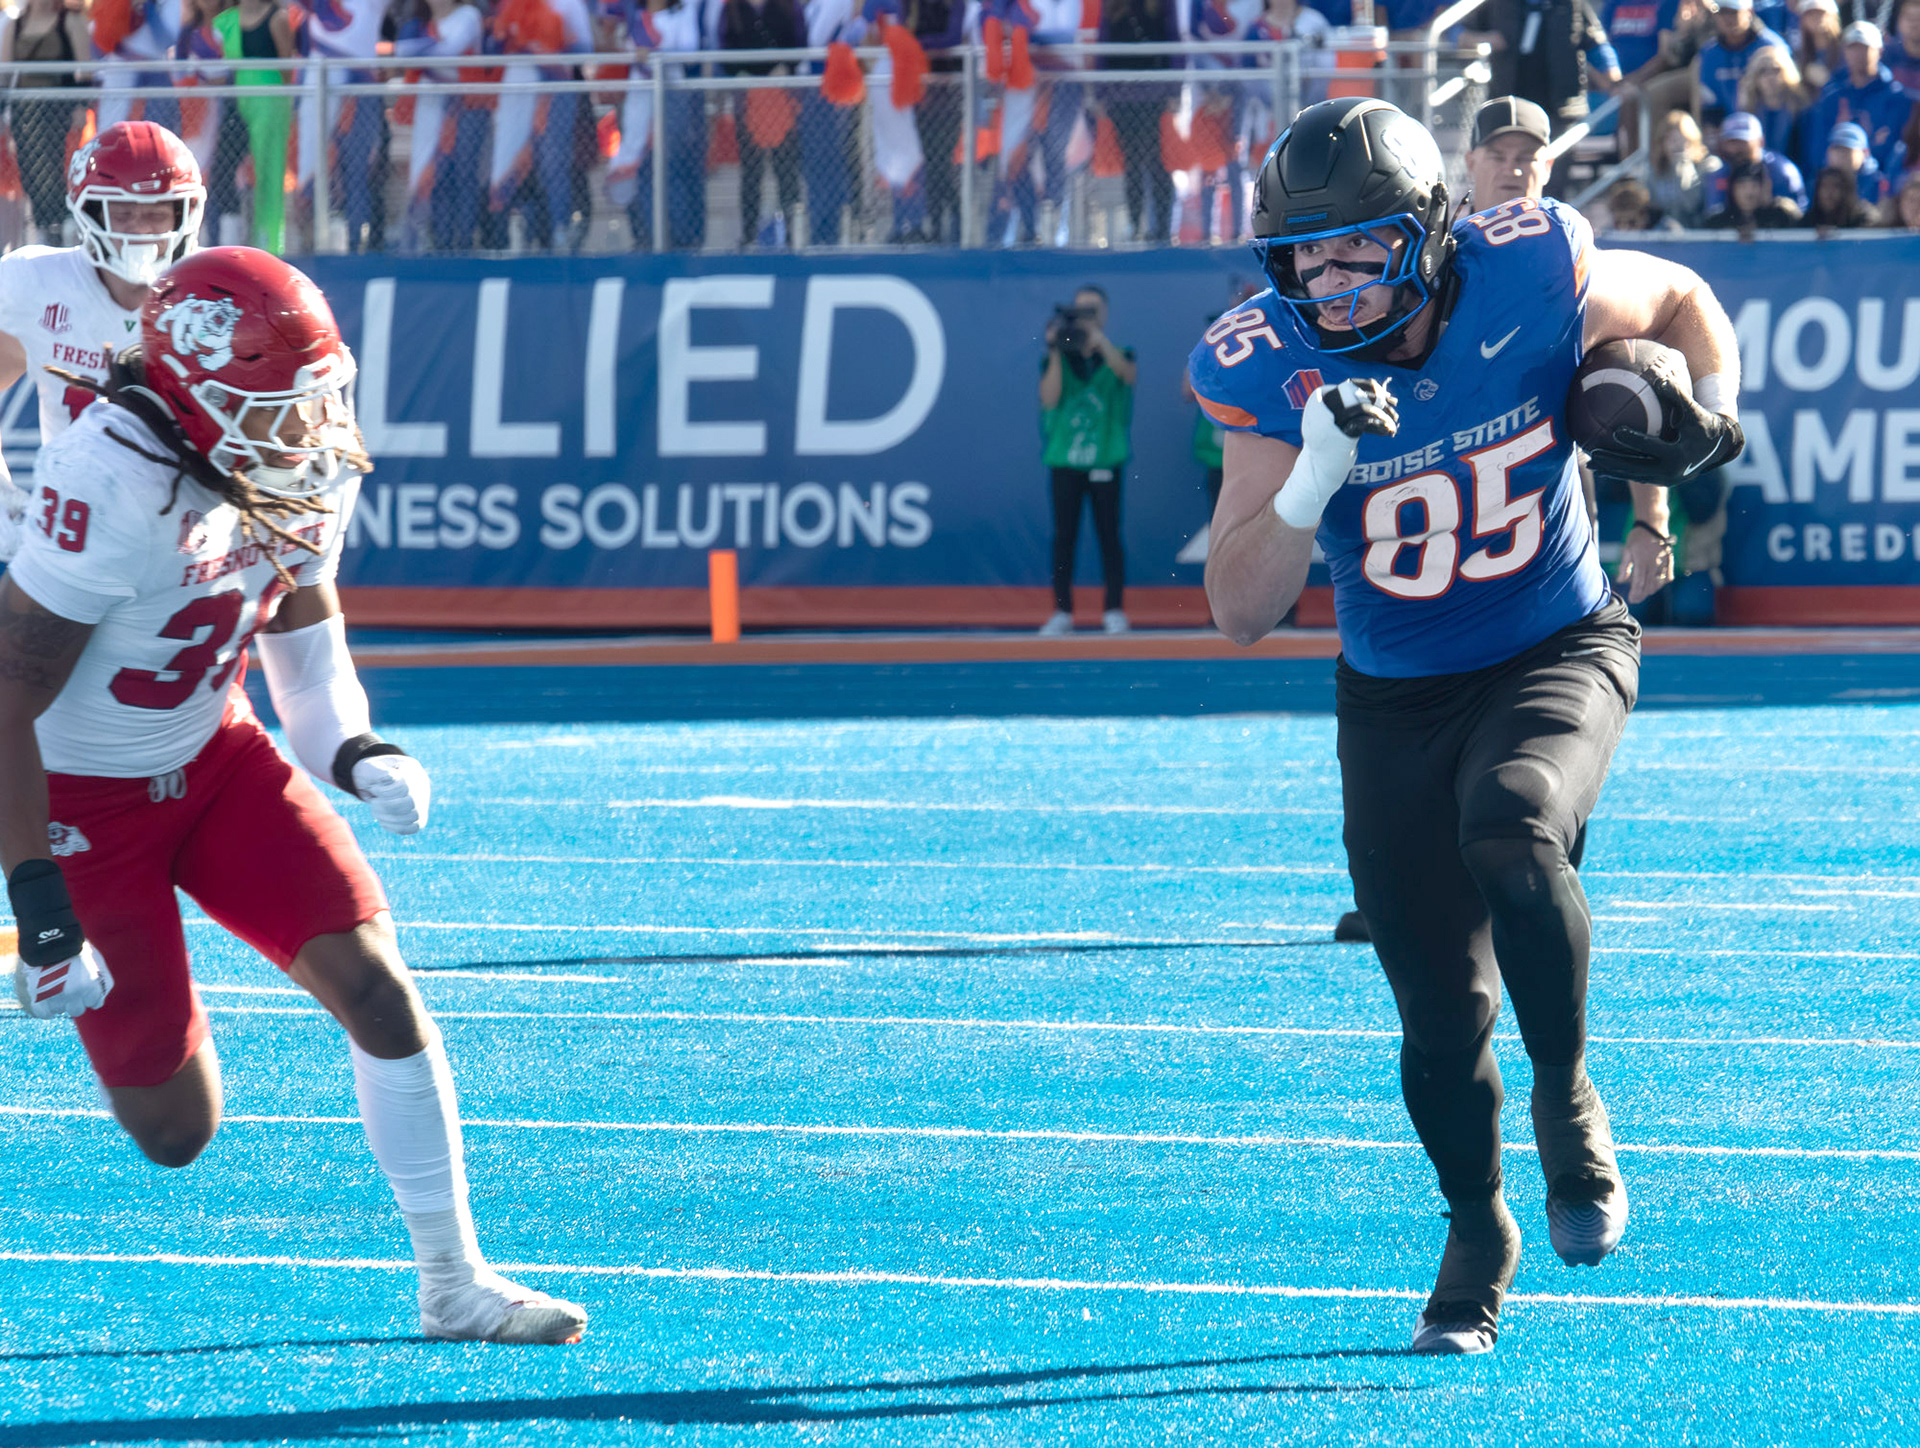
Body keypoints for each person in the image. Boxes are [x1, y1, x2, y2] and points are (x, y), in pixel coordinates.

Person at [1191, 97, 1743, 1354]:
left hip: (1559, 637)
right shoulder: (1269, 366)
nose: (1329, 284)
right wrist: (1312, 473)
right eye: (1305, 257)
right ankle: (1476, 1220)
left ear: (1433, 238)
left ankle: (1569, 1091)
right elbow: (1237, 607)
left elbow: (1684, 310)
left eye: (1359, 248)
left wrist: (1695, 434)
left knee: (1513, 822)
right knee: (1438, 1021)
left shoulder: (1532, 265)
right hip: (1394, 697)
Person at [0, 245, 589, 1345]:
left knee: (378, 989)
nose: (304, 426)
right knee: (176, 1130)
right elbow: (5, 698)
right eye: (274, 401)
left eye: (314, 395)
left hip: (218, 756)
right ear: (188, 393)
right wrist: (40, 902)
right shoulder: (108, 478)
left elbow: (306, 661)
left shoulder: (295, 461)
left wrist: (358, 750)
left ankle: (452, 1277)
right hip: (88, 796)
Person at [0, 122, 205, 568]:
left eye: (154, 212)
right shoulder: (32, 283)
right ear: (90, 213)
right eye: (122, 212)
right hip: (74, 537)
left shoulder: (216, 297)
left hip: (187, 542)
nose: (138, 229)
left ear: (183, 212)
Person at [1038, 285, 1137, 635]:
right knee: (1064, 537)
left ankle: (1113, 610)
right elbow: (1049, 400)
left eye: (1092, 310)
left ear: (1105, 313)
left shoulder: (1119, 352)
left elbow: (1127, 375)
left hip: (1105, 459)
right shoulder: (1059, 357)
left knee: (1109, 535)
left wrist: (1098, 340)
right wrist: (1054, 349)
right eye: (1080, 311)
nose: (1085, 317)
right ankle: (1062, 611)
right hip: (1064, 461)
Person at [2, 0, 90, 246]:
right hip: (25, 114)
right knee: (30, 172)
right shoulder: (16, 24)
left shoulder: (70, 21)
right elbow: (6, 72)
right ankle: (44, 229)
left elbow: (85, 69)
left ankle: (62, 228)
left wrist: (81, 106)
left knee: (56, 171)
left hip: (58, 111)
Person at [213, 0, 295, 253]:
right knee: (223, 169)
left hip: (270, 101)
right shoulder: (225, 21)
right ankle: (227, 243)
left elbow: (287, 69)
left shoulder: (277, 18)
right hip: (236, 101)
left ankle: (270, 245)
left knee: (269, 173)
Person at [722, 0, 806, 246]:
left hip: (781, 98)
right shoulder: (732, 9)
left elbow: (799, 42)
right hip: (748, 100)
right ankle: (748, 235)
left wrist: (785, 67)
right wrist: (743, 75)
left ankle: (791, 234)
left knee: (786, 169)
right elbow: (725, 49)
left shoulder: (787, 6)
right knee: (751, 171)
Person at [1097, 0, 1181, 244]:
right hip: (1122, 96)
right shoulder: (1112, 5)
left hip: (1155, 95)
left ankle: (1163, 229)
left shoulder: (1163, 5)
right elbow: (1104, 40)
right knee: (1132, 164)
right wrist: (1102, 92)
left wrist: (1174, 90)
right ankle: (1135, 226)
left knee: (1159, 164)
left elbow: (1173, 39)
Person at [1798, 21, 1914, 181]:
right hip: (1832, 181)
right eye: (1852, 47)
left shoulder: (1896, 98)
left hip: (1875, 184)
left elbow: (1892, 149)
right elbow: (1817, 149)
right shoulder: (1831, 96)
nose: (1858, 54)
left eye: (1865, 47)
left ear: (1880, 51)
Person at [1696, 0, 1790, 125]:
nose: (1727, 19)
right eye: (1721, 13)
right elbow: (1710, 105)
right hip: (1728, 130)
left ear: (1749, 12)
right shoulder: (1709, 53)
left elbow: (1787, 97)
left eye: (1733, 12)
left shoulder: (1771, 47)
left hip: (1769, 125)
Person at [1457, 95, 1552, 216]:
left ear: (1547, 167)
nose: (1511, 170)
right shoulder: (1446, 235)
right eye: (1497, 158)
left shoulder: (1572, 233)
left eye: (1525, 158)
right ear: (1471, 164)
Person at [1704, 108, 1807, 207]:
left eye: (1743, 142)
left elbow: (1796, 216)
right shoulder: (1719, 173)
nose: (1736, 149)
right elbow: (1714, 213)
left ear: (1760, 142)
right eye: (1731, 142)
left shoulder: (1782, 173)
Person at [1647, 107, 1720, 224]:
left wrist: (1683, 165)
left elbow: (1691, 204)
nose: (1676, 144)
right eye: (1670, 138)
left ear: (1692, 140)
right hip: (1664, 236)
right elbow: (1653, 210)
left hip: (1698, 235)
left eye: (1681, 138)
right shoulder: (1654, 172)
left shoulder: (1708, 166)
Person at [1705, 154, 1805, 223]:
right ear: (1732, 190)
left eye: (1754, 186)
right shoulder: (1718, 222)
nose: (1749, 193)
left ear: (1765, 187)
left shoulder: (1783, 216)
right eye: (1742, 186)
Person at [1823, 118, 1891, 201]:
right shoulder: (1821, 182)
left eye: (1847, 151)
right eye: (1837, 149)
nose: (1840, 156)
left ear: (1865, 152)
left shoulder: (1877, 184)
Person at [1801, 157, 1881, 220]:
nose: (1829, 192)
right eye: (1824, 186)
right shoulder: (1809, 220)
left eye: (1835, 186)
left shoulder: (1864, 218)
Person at [1601, 172, 1684, 227]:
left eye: (1632, 223)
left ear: (1644, 216)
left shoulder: (1669, 230)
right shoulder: (1605, 233)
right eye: (1618, 223)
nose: (1624, 230)